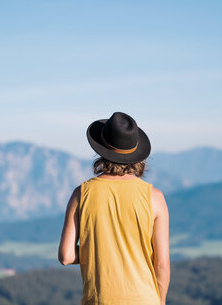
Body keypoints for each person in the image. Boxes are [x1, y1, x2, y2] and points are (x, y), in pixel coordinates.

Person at [58, 112, 170, 305]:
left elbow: (66, 256)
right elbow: (161, 264)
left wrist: (98, 251)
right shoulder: (155, 198)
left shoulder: (81, 194)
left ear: (102, 151)